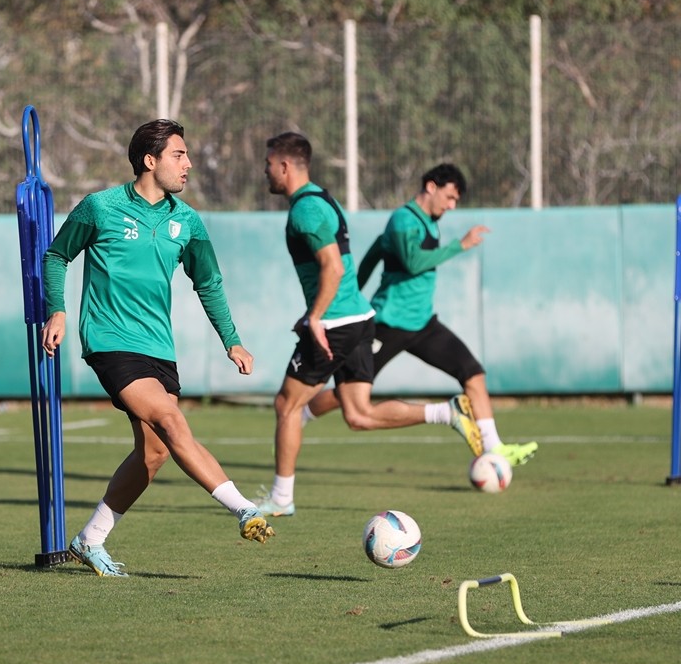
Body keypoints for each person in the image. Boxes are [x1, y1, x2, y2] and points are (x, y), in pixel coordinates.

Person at [40, 119, 273, 577]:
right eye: (178, 155)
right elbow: (56, 255)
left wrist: (233, 340)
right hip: (109, 341)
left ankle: (90, 539)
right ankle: (242, 507)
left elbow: (209, 282)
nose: (188, 164)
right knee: (169, 420)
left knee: (154, 452)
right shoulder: (99, 207)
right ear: (150, 161)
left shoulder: (186, 221)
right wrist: (59, 310)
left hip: (158, 349)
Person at [257, 132, 482, 518]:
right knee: (358, 414)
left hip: (337, 323)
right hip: (360, 318)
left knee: (287, 405)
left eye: (268, 166)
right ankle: (446, 413)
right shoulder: (324, 200)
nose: (266, 174)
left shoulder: (305, 211)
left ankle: (281, 499)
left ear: (285, 165)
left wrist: (315, 317)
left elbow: (333, 266)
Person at [301, 163, 538, 466]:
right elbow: (410, 262)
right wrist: (460, 245)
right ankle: (298, 419)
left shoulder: (430, 222)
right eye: (450, 197)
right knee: (347, 396)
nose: (451, 206)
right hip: (388, 323)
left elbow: (374, 254)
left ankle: (495, 450)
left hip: (423, 324)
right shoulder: (402, 219)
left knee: (473, 374)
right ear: (431, 187)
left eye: (456, 201)